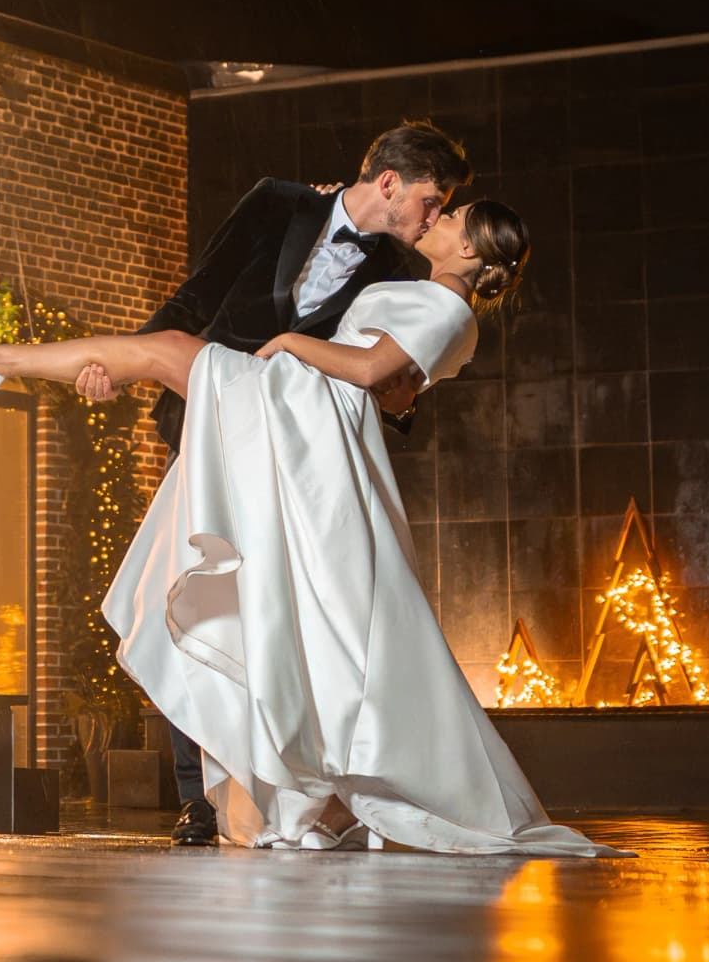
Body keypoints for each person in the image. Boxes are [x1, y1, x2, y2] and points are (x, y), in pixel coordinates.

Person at [0, 198, 605, 858]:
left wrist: (289, 342)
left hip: (302, 411)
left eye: (454, 218)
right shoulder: (434, 302)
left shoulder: (448, 307)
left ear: (471, 251)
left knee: (168, 352)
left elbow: (372, 372)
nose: (441, 219)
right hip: (304, 415)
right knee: (168, 360)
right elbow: (393, 386)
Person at [105, 124, 466, 843]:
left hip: (290, 459)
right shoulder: (277, 203)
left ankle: (270, 783)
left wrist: (401, 398)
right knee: (183, 594)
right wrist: (121, 360)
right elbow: (196, 294)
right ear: (390, 181)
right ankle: (197, 797)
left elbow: (386, 374)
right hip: (210, 424)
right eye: (431, 201)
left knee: (260, 615)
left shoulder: (401, 271)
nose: (433, 220)